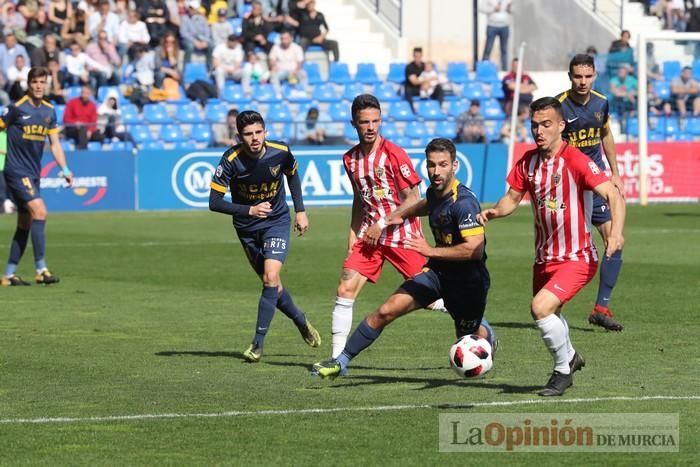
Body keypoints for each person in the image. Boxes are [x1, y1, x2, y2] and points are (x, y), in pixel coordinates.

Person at [478, 97, 625, 396]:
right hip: (544, 258)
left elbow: (614, 195)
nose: (539, 131)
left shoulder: (576, 160)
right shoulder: (528, 161)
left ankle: (561, 372)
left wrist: (616, 233)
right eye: (534, 125)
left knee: (540, 307)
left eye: (546, 124)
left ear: (561, 125)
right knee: (549, 315)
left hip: (577, 256)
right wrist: (496, 210)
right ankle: (571, 356)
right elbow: (512, 197)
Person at [312, 138, 496, 378]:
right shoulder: (435, 193)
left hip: (469, 282)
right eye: (431, 165)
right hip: (437, 274)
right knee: (386, 311)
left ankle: (486, 337)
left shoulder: (463, 203)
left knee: (467, 336)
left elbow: (474, 250)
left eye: (442, 165)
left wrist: (429, 251)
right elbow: (427, 205)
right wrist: (397, 216)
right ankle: (341, 360)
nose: (436, 171)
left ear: (455, 166)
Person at [326, 94, 445, 359]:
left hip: (402, 236)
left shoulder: (394, 154)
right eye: (364, 122)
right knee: (345, 287)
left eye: (375, 121)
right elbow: (359, 199)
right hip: (370, 239)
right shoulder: (350, 160)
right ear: (353, 124)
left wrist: (381, 223)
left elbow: (413, 199)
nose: (371, 127)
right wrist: (352, 238)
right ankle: (335, 360)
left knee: (432, 297)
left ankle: (479, 327)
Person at [208, 110, 321, 362]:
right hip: (247, 229)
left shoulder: (280, 151)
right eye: (248, 134)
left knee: (271, 277)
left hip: (276, 222)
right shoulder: (230, 160)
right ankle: (301, 321)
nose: (254, 138)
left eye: (258, 132)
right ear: (239, 137)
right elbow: (214, 202)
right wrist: (249, 209)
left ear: (265, 132)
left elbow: (292, 175)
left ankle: (257, 345)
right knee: (274, 285)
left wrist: (300, 211)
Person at [556, 54, 626, 331]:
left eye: (587, 76)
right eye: (577, 76)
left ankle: (601, 308)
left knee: (615, 241)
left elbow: (605, 134)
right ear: (570, 76)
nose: (582, 82)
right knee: (567, 249)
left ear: (594, 75)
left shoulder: (601, 102)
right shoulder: (559, 106)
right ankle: (552, 305)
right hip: (569, 186)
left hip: (595, 184)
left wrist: (615, 172)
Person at [0, 66, 73, 286]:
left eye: (42, 82)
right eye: (35, 82)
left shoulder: (50, 111)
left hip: (33, 173)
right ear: (28, 84)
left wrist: (66, 170)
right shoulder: (16, 108)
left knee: (25, 223)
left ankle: (9, 275)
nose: (39, 86)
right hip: (15, 171)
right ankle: (41, 269)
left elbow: (55, 144)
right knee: (40, 211)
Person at [404, 47, 444, 111]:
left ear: (421, 55)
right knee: (407, 90)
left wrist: (429, 85)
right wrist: (428, 80)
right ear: (413, 56)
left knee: (439, 88)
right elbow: (415, 82)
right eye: (416, 56)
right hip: (414, 88)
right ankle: (412, 111)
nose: (417, 58)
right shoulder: (409, 67)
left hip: (426, 87)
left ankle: (437, 109)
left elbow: (434, 76)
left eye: (419, 56)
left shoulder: (425, 66)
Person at [63, 84, 103, 149]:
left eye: (87, 93)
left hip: (87, 130)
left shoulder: (92, 105)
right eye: (83, 92)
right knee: (82, 129)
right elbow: (66, 119)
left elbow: (93, 121)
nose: (84, 95)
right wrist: (75, 123)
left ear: (90, 94)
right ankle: (83, 152)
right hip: (73, 129)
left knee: (101, 136)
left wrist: (90, 130)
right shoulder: (72, 102)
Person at [480, 0, 512, 70]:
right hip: (492, 25)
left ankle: (504, 70)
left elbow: (516, 10)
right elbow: (481, 8)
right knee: (488, 49)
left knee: (504, 50)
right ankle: (483, 69)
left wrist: (510, 9)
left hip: (504, 26)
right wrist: (493, 9)